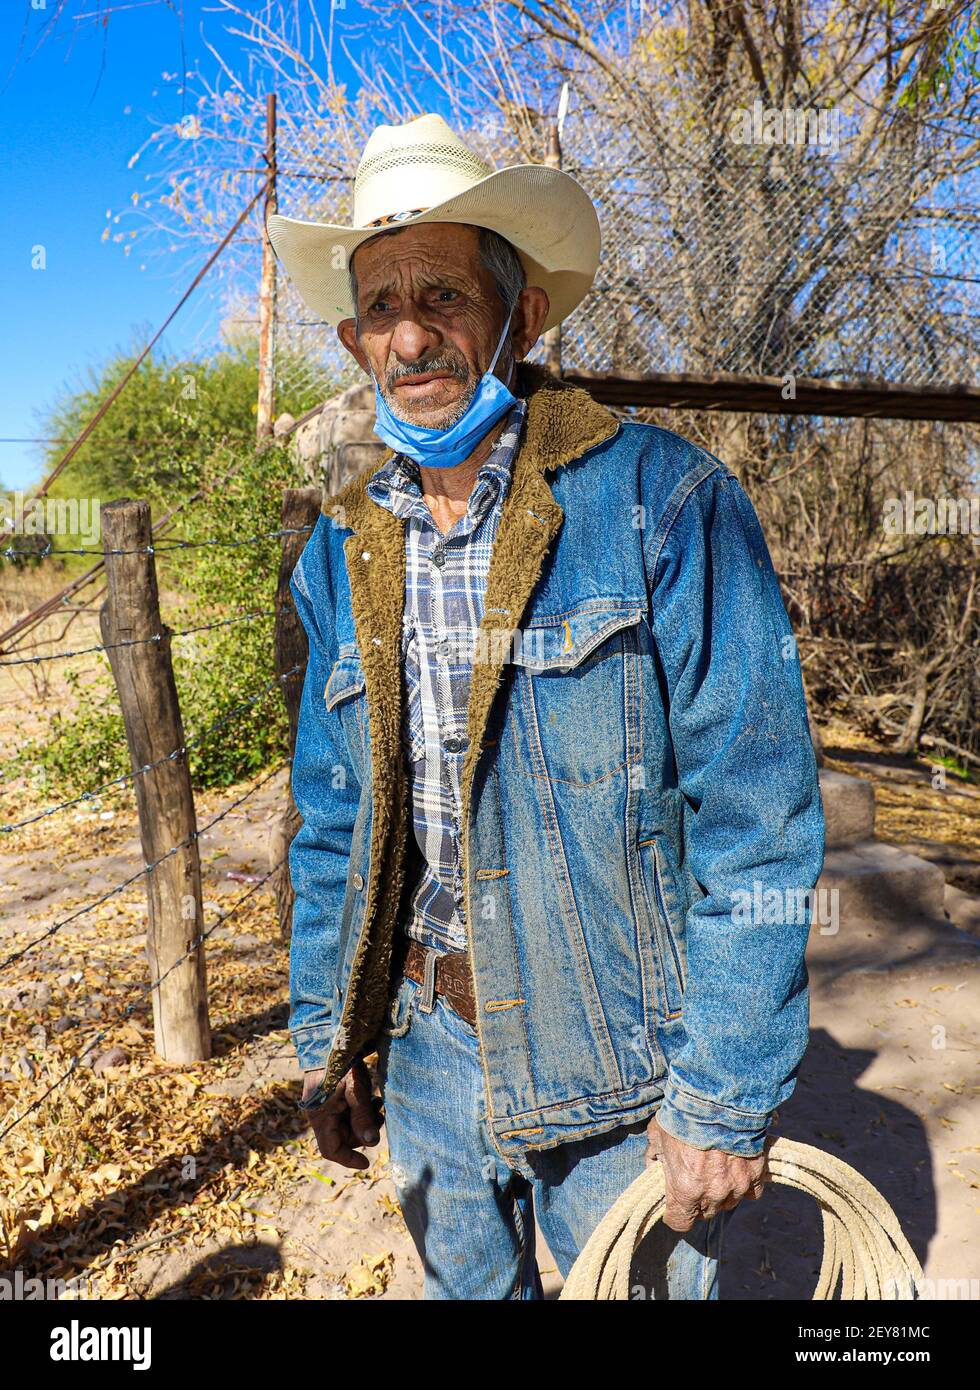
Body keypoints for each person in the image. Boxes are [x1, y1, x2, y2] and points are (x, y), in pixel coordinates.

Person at [267, 113, 825, 1300]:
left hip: (617, 1060)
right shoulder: (340, 551)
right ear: (351, 339)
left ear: (520, 317)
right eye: (380, 306)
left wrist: (721, 1094)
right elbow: (330, 820)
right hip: (424, 1053)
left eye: (443, 294)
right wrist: (330, 1036)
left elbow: (759, 817)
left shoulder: (660, 502)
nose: (411, 334)